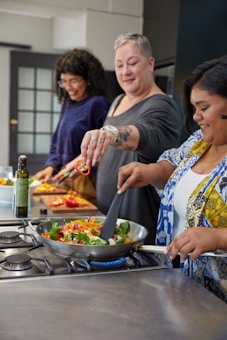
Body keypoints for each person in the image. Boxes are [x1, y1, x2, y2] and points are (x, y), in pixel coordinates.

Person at [117, 55, 227, 302]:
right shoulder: (199, 141)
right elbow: (173, 166)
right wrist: (150, 172)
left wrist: (219, 237)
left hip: (218, 302)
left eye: (204, 107)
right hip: (178, 287)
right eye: (194, 108)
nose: (196, 117)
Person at [54, 33, 182, 244]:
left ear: (150, 64)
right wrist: (79, 162)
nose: (125, 72)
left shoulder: (161, 105)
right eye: (119, 65)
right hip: (107, 214)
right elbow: (108, 150)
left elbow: (141, 134)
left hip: (136, 224)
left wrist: (109, 133)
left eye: (132, 63)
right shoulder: (118, 101)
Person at [34, 48, 110, 204]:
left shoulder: (98, 104)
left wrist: (77, 165)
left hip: (86, 179)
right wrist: (51, 166)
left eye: (73, 81)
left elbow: (105, 148)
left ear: (88, 79)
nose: (68, 87)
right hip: (64, 175)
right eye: (64, 82)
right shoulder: (68, 104)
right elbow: (57, 141)